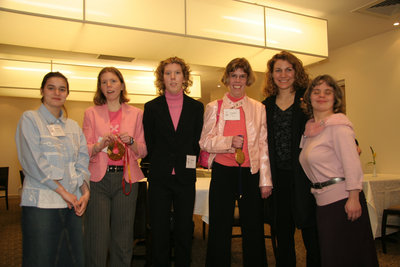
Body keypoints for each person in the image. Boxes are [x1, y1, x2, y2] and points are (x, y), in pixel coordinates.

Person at [299, 75, 378, 267]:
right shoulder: (310, 130)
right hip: (323, 200)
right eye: (316, 92)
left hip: (342, 201)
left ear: (336, 98)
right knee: (333, 254)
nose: (321, 96)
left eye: (328, 92)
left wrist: (353, 198)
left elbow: (352, 164)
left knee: (346, 256)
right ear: (309, 97)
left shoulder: (339, 126)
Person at [200, 57, 272, 266]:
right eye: (234, 75)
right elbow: (204, 142)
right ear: (227, 78)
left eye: (242, 76)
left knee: (253, 227)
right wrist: (229, 142)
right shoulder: (215, 107)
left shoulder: (259, 108)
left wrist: (265, 180)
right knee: (220, 226)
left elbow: (263, 144)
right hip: (223, 172)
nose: (238, 80)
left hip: (251, 173)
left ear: (248, 79)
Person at [15, 72, 90, 267]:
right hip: (43, 204)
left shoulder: (73, 126)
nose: (57, 92)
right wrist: (64, 192)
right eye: (51, 87)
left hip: (72, 204)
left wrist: (85, 192)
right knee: (40, 259)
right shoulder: (30, 119)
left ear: (67, 94)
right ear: (42, 91)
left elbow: (82, 162)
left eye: (62, 89)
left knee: (72, 259)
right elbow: (33, 163)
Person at [82, 67, 147, 267]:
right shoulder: (91, 113)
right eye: (104, 82)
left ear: (121, 84)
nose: (108, 86)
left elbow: (143, 150)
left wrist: (132, 142)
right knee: (97, 237)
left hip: (126, 180)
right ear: (99, 87)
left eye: (113, 81)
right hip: (98, 180)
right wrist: (99, 145)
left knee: (123, 236)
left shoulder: (136, 113)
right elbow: (83, 149)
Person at [143, 57, 204, 266]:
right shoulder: (151, 107)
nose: (172, 77)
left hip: (185, 178)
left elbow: (197, 141)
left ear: (185, 77)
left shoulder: (196, 107)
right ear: (162, 78)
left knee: (184, 229)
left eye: (177, 73)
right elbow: (149, 143)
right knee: (159, 230)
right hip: (159, 178)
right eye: (168, 73)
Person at [262, 51, 321, 266]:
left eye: (289, 69)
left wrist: (353, 141)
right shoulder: (265, 105)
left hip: (305, 176)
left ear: (297, 72)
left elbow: (328, 120)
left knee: (310, 231)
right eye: (278, 70)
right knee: (282, 233)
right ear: (271, 75)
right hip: (278, 180)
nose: (283, 74)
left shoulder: (308, 99)